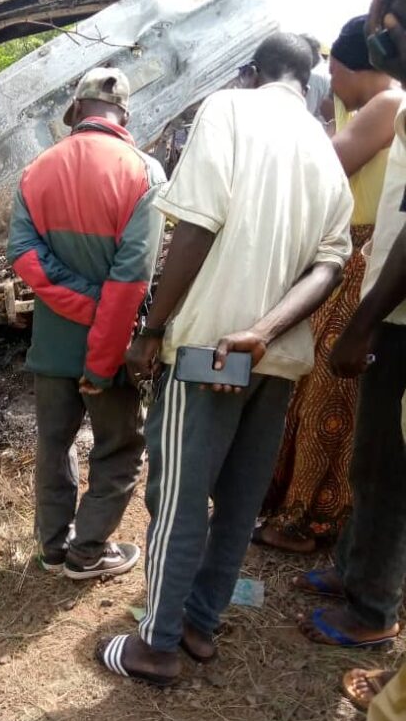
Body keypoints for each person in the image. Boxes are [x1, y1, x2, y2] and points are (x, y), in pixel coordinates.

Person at [95, 33, 352, 685]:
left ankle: (155, 646)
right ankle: (199, 627)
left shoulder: (228, 110)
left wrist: (152, 331)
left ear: (252, 70)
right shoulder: (325, 149)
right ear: (308, 79)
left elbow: (198, 226)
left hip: (210, 348)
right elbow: (330, 266)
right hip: (274, 354)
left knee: (179, 498)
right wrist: (265, 331)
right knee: (238, 501)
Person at [296, 0, 406, 651]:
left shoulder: (390, 102)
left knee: (389, 462)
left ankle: (372, 607)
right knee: (371, 452)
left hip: (397, 312)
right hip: (390, 308)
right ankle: (353, 566)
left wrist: (362, 323)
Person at [6, 67, 165, 581]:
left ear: (76, 113)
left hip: (51, 348)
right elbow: (132, 279)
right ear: (124, 116)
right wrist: (101, 346)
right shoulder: (145, 172)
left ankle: (53, 548)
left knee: (54, 447)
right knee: (118, 449)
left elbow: (24, 257)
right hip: (113, 351)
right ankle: (88, 552)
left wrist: (81, 304)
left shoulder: (36, 171)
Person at [255, 17, 401, 554]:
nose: (328, 79)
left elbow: (327, 166)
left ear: (348, 65)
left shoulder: (387, 104)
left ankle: (312, 519)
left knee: (329, 393)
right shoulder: (363, 108)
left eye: (332, 68)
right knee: (316, 384)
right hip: (352, 253)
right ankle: (304, 512)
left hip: (365, 256)